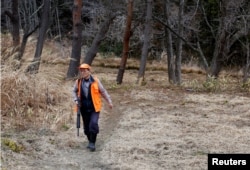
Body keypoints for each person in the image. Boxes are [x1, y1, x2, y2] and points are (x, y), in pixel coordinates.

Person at [72, 63, 113, 151]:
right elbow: (74, 91)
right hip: (83, 108)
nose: (82, 72)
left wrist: (109, 101)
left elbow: (103, 92)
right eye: (81, 71)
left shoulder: (96, 81)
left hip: (95, 107)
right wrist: (76, 100)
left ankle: (92, 143)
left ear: (89, 71)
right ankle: (90, 139)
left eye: (84, 71)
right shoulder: (78, 82)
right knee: (86, 128)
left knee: (93, 124)